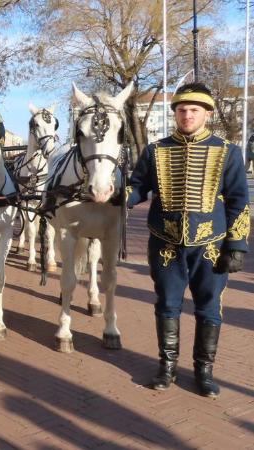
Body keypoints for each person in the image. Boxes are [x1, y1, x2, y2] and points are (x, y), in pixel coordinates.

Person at [127, 82, 249, 398]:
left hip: (210, 245)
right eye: (182, 110)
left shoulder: (227, 151)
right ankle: (166, 367)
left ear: (207, 113)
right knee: (167, 304)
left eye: (194, 110)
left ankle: (203, 372)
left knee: (209, 307)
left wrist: (236, 245)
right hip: (165, 243)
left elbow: (238, 200)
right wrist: (120, 195)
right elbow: (139, 186)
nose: (187, 115)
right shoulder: (156, 150)